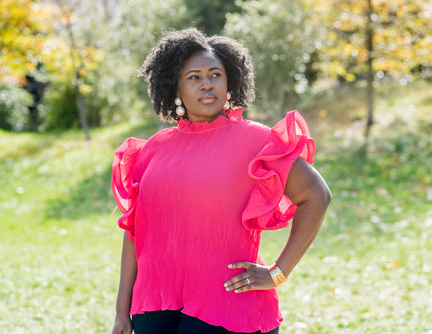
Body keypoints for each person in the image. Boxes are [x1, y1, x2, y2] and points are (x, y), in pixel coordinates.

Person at [111, 28, 331, 334]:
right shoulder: (154, 149)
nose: (207, 85)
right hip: (153, 307)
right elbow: (135, 234)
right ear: (175, 87)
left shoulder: (255, 140)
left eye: (215, 75)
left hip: (228, 305)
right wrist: (122, 311)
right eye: (194, 77)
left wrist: (278, 272)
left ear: (230, 83)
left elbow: (316, 195)